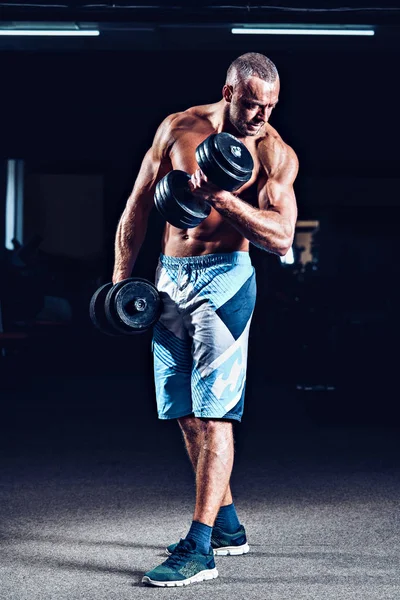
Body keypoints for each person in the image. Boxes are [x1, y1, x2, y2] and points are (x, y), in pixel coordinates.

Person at [112, 52, 298, 587]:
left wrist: (223, 198)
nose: (260, 116)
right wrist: (124, 281)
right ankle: (229, 526)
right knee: (184, 412)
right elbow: (138, 204)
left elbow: (281, 236)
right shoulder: (178, 128)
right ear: (228, 91)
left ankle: (200, 547)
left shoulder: (274, 154)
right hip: (170, 277)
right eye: (251, 103)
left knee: (214, 414)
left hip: (227, 281)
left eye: (270, 106)